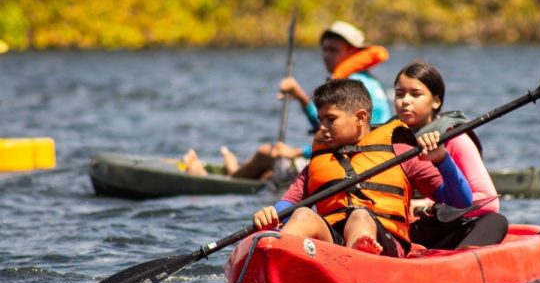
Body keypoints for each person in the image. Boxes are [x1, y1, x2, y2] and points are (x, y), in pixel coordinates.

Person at [251, 78, 473, 257]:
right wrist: (270, 215)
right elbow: (288, 204)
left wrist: (442, 159)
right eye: (320, 120)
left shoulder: (400, 151)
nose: (322, 128)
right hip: (334, 244)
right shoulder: (319, 162)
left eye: (331, 119)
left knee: (359, 216)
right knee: (302, 214)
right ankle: (273, 257)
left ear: (360, 118)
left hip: (383, 245)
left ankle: (360, 253)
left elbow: (461, 201)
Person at [183, 21, 392, 180]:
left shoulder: (354, 85)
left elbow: (347, 136)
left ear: (353, 52)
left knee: (267, 153)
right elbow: (330, 126)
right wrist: (300, 96)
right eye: (324, 49)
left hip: (353, 160)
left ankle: (226, 179)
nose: (326, 56)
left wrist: (296, 151)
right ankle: (235, 170)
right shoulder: (361, 80)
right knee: (269, 173)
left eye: (333, 50)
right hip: (343, 153)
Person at [394, 60, 509, 249]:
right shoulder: (388, 136)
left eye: (415, 94)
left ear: (436, 101)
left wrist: (429, 205)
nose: (405, 101)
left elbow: (488, 201)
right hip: (400, 227)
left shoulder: (455, 138)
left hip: (440, 223)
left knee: (495, 221)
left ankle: (458, 264)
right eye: (400, 94)